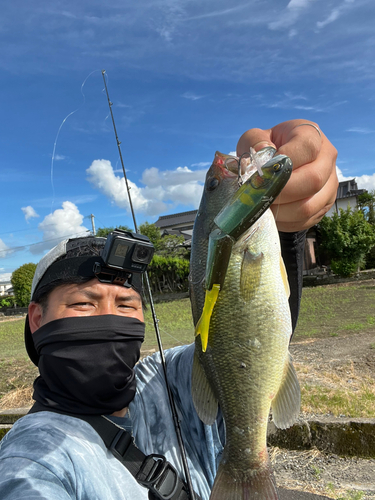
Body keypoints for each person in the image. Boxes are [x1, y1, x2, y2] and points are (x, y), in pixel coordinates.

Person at [0, 120, 338, 500]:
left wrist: (290, 222)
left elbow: (257, 339)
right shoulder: (31, 461)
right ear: (37, 319)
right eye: (83, 303)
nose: (110, 318)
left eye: (126, 303)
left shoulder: (163, 379)